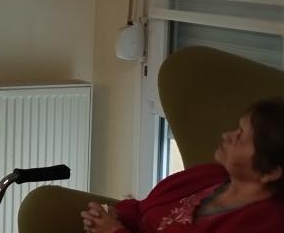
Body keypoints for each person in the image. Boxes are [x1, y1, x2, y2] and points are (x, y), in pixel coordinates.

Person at [80, 98, 284, 233]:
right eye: (237, 129)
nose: (226, 135)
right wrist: (117, 215)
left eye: (240, 138)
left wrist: (114, 231)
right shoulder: (210, 175)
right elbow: (144, 208)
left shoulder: (264, 223)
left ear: (271, 172)